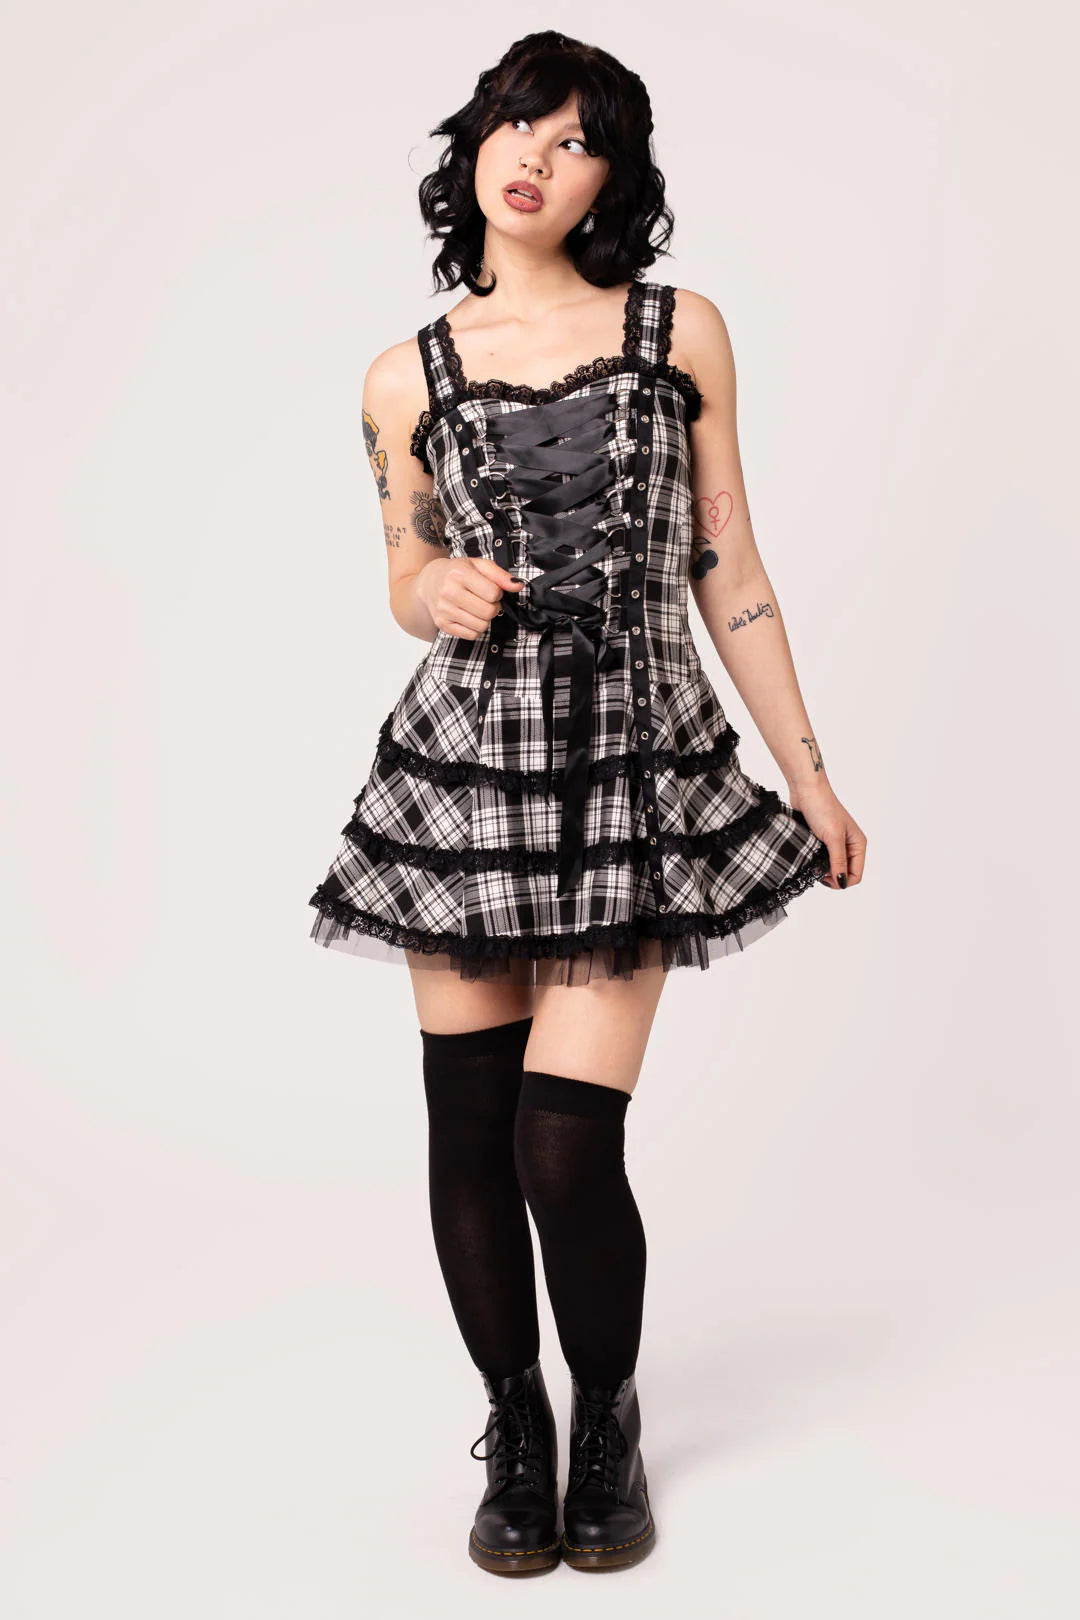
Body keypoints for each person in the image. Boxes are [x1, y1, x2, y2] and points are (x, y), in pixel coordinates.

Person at [307, 30, 866, 1576]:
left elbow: (727, 565)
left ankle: (606, 1412)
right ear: (475, 142)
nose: (537, 156)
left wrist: (811, 777)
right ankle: (518, 1426)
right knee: (470, 1135)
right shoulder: (403, 377)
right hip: (462, 782)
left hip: (631, 771)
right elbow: (403, 573)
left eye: (576, 138)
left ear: (611, 180)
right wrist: (435, 589)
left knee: (564, 1145)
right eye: (518, 122)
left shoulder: (680, 333)